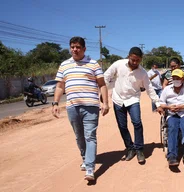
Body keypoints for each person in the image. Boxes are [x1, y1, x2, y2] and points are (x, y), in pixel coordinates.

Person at [51, 36, 109, 181]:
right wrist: (55, 103)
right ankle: (85, 157)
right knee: (79, 136)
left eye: (78, 47)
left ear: (84, 49)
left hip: (91, 106)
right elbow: (60, 86)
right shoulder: (64, 65)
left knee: (90, 136)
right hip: (72, 107)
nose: (75, 49)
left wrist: (105, 103)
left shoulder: (93, 64)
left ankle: (90, 167)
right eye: (72, 47)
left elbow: (102, 84)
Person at [104, 47, 163, 163]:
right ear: (129, 56)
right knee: (122, 126)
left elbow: (149, 89)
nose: (135, 62)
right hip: (118, 99)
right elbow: (106, 76)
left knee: (137, 123)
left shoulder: (143, 73)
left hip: (133, 99)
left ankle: (139, 149)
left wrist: (157, 103)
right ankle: (130, 148)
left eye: (137, 60)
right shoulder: (118, 64)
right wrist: (103, 92)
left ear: (141, 59)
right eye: (132, 60)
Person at [160, 69, 184, 168]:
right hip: (172, 114)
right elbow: (161, 103)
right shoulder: (167, 89)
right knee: (172, 128)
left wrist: (183, 106)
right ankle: (172, 156)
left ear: (183, 79)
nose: (176, 80)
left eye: (178, 78)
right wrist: (169, 107)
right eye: (174, 78)